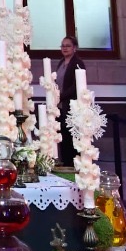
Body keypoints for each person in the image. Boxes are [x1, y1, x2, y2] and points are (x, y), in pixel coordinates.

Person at [56, 34, 81, 167]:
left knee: (70, 136)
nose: (65, 48)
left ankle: (71, 163)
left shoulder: (78, 63)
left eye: (68, 46)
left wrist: (61, 96)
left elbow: (75, 86)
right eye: (63, 45)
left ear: (74, 48)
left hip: (71, 105)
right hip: (60, 105)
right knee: (62, 135)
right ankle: (64, 162)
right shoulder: (61, 62)